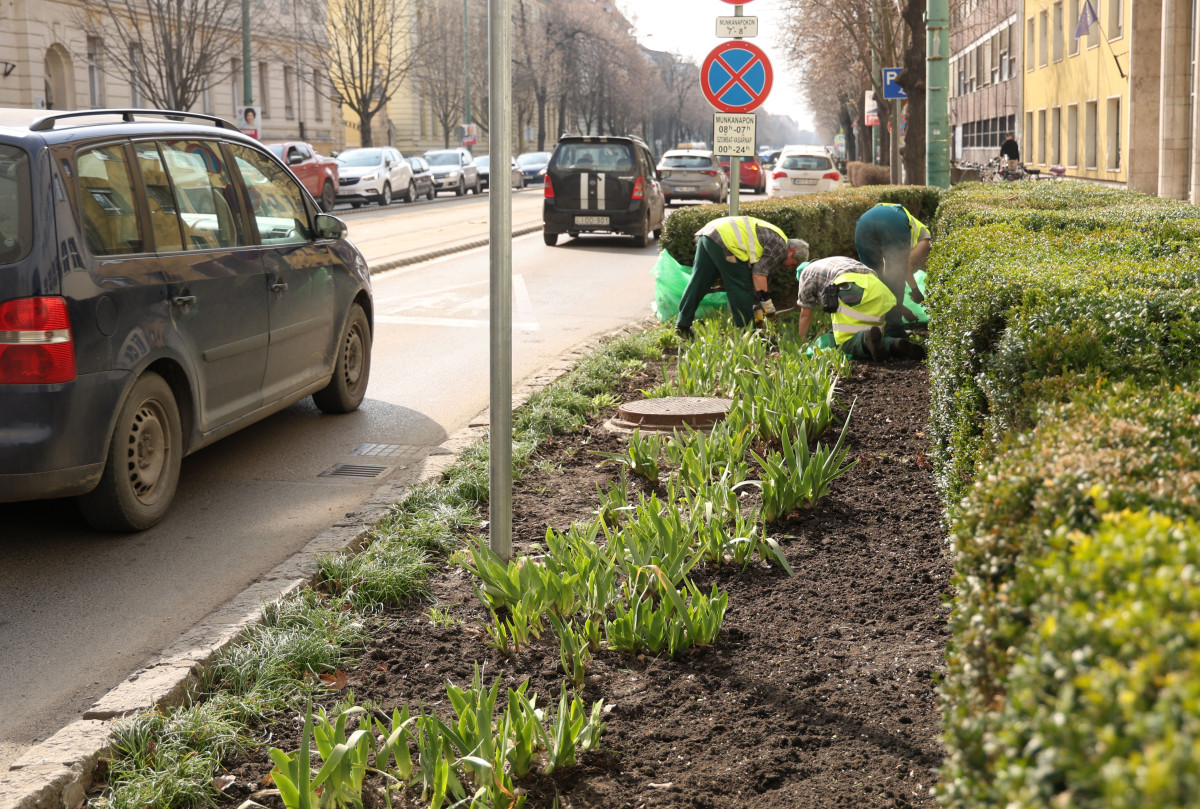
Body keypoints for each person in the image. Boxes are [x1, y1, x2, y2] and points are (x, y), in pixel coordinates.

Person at [676, 216, 808, 338]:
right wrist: (766, 304)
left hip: (709, 233)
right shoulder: (781, 248)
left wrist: (758, 308)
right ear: (792, 251)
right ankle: (748, 333)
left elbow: (757, 280)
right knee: (740, 287)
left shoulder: (777, 238)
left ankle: (682, 325)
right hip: (726, 240)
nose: (789, 267)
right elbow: (759, 274)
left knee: (698, 282)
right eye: (793, 263)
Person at [795, 256, 924, 361]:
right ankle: (894, 344)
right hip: (877, 289)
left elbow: (805, 315)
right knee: (874, 335)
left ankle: (865, 339)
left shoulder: (806, 274)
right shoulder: (835, 262)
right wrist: (905, 311)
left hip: (850, 290)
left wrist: (801, 344)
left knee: (843, 343)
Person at [852, 202, 930, 326]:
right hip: (893, 220)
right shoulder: (926, 240)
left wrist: (903, 310)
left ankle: (874, 327)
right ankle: (894, 331)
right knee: (896, 278)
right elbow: (905, 268)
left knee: (873, 280)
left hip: (864, 222)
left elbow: (884, 286)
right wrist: (915, 290)